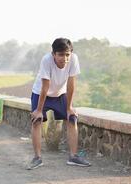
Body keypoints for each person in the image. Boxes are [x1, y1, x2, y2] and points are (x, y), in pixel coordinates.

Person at [27, 38, 91, 170]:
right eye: (61, 55)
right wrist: (39, 110)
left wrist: (69, 107)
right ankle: (37, 158)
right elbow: (45, 86)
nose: (65, 58)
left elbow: (72, 83)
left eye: (67, 55)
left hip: (60, 94)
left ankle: (73, 156)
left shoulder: (73, 59)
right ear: (54, 54)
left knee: (72, 118)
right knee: (37, 121)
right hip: (41, 94)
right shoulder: (46, 60)